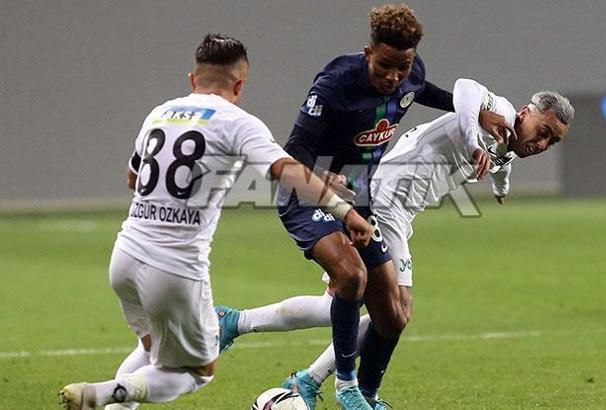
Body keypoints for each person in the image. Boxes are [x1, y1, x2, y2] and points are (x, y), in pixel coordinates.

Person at [57, 33, 373, 410]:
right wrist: (346, 211)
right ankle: (104, 392)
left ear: (193, 79)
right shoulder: (238, 122)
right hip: (173, 268)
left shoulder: (159, 113)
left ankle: (109, 397)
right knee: (196, 372)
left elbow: (132, 177)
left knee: (153, 354)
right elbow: (287, 172)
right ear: (239, 85)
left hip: (124, 257)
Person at [216, 78, 575, 409]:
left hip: (396, 208)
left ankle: (241, 326)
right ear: (525, 113)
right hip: (386, 203)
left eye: (552, 141)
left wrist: (501, 187)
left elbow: (502, 162)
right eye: (543, 131)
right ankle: (348, 389)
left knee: (340, 305)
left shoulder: (507, 145)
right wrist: (470, 139)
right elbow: (465, 88)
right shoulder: (502, 113)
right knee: (396, 310)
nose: (542, 144)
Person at [215, 4, 454, 409]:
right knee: (351, 276)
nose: (394, 77)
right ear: (368, 52)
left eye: (402, 67)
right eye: (384, 66)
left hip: (359, 198)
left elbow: (420, 90)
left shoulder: (410, 74)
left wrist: (471, 112)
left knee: (392, 316)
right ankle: (347, 388)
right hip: (308, 193)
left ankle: (364, 395)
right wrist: (325, 179)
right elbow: (295, 154)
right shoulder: (334, 85)